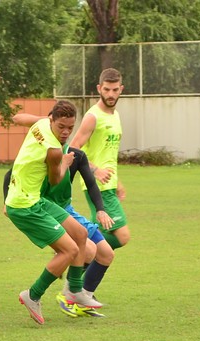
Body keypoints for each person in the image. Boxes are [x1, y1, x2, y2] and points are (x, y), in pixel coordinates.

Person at [5, 111, 116, 318]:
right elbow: (55, 180)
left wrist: (29, 118)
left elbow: (20, 118)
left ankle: (75, 291)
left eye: (70, 128)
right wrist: (64, 163)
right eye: (61, 127)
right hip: (25, 205)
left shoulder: (41, 124)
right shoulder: (54, 151)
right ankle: (33, 295)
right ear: (52, 121)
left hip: (37, 200)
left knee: (81, 234)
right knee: (70, 250)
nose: (65, 132)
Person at [70, 68, 130, 251]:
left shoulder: (115, 115)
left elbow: (108, 154)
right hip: (97, 185)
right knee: (122, 236)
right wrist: (96, 171)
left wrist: (116, 181)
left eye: (114, 90)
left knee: (100, 232)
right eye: (106, 89)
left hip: (108, 184)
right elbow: (73, 148)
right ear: (99, 88)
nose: (110, 94)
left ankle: (76, 257)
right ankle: (73, 249)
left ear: (121, 89)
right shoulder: (93, 117)